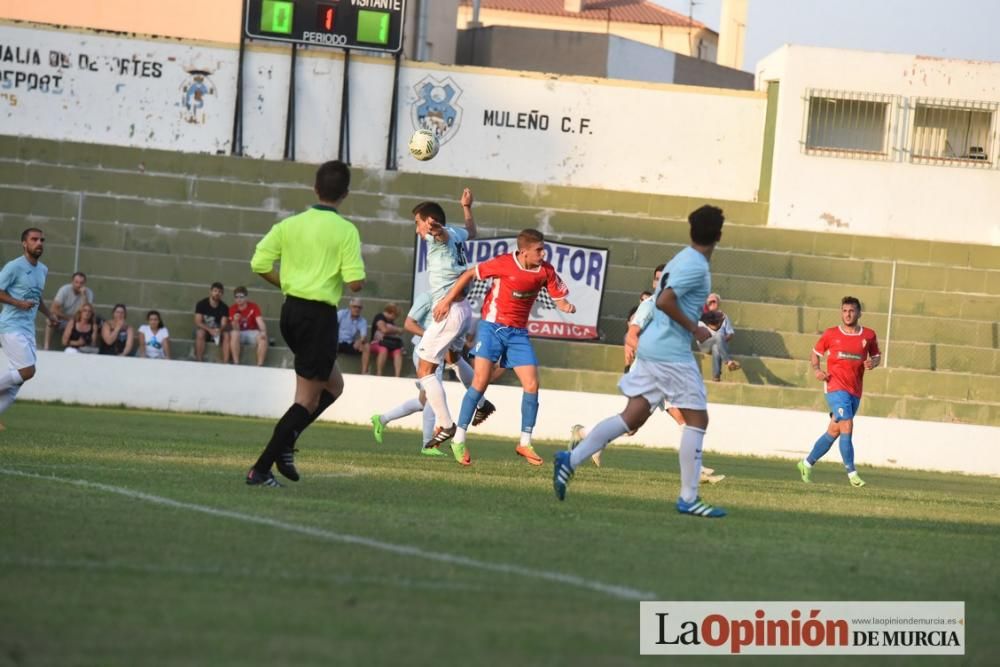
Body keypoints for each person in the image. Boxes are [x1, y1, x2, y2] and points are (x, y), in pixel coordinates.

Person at [553, 206, 727, 518]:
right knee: (697, 422)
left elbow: (670, 300)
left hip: (652, 349)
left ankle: (571, 459)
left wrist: (702, 315)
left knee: (631, 418)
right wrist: (696, 328)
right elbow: (664, 301)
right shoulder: (697, 266)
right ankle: (689, 498)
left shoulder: (680, 259)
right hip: (671, 354)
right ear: (719, 235)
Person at [245, 160, 365, 487]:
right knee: (307, 400)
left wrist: (289, 282)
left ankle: (286, 444)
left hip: (291, 313)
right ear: (345, 194)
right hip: (318, 317)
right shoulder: (346, 231)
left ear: (315, 188)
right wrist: (350, 277)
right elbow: (355, 283)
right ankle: (261, 467)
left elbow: (259, 263)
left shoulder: (290, 225)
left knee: (334, 386)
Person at [435, 228, 576, 467]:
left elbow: (559, 296)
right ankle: (458, 438)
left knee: (532, 383)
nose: (543, 253)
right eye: (538, 250)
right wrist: (446, 301)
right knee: (480, 381)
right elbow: (470, 274)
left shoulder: (546, 270)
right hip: (492, 327)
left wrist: (565, 305)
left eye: (543, 248)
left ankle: (525, 442)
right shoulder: (504, 264)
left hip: (518, 333)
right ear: (523, 252)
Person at [369, 291, 495, 455]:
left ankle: (382, 419)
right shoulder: (427, 297)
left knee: (424, 402)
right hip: (426, 350)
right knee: (431, 397)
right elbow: (409, 324)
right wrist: (432, 336)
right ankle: (427, 444)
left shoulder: (454, 301)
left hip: (441, 350)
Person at [411, 188, 478, 452]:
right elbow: (471, 232)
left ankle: (446, 424)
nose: (417, 230)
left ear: (428, 223)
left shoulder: (437, 236)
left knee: (425, 370)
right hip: (462, 309)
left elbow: (441, 235)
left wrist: (435, 229)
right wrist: (467, 208)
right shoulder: (457, 232)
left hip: (448, 310)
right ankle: (481, 401)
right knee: (453, 357)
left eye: (418, 223)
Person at [797, 296, 880, 488]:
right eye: (844, 311)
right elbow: (815, 354)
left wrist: (872, 363)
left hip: (855, 390)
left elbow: (876, 356)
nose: (847, 314)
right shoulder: (831, 334)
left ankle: (806, 463)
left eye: (851, 311)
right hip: (834, 386)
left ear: (859, 313)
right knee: (847, 425)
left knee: (834, 431)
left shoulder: (868, 335)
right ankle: (852, 474)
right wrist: (817, 370)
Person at [0, 228, 59, 425]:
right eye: (34, 239)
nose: (39, 243)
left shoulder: (43, 269)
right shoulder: (14, 266)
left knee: (16, 383)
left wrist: (50, 315)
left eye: (42, 239)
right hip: (10, 326)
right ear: (24, 243)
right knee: (27, 371)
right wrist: (17, 303)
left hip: (27, 329)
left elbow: (36, 296)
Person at [45, 271, 94, 350]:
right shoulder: (64, 290)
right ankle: (46, 347)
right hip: (65, 319)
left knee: (93, 323)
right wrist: (68, 319)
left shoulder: (88, 293)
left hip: (79, 321)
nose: (79, 285)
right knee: (50, 319)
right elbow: (53, 308)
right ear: (72, 282)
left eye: (81, 283)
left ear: (85, 283)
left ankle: (84, 348)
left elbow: (86, 310)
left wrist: (83, 296)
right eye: (76, 282)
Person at [698, 293, 741, 381]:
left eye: (714, 302)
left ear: (718, 304)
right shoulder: (702, 315)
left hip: (719, 344)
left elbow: (731, 333)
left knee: (716, 346)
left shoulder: (724, 317)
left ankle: (716, 376)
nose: (712, 304)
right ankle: (728, 362)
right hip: (705, 344)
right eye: (710, 302)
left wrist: (721, 341)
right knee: (718, 336)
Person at [228, 286, 268, 366]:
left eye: (241, 297)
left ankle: (260, 365)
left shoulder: (253, 306)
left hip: (252, 332)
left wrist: (263, 331)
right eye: (236, 297)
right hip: (239, 333)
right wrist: (235, 321)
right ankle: (236, 363)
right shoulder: (232, 308)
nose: (239, 299)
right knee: (234, 333)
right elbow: (234, 328)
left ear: (246, 297)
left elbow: (260, 322)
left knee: (263, 338)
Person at [364, 302, 405, 377]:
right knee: (383, 349)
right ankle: (379, 373)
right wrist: (397, 330)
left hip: (389, 343)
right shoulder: (380, 317)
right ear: (392, 313)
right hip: (377, 343)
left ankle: (397, 376)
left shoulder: (391, 322)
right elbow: (384, 330)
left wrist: (393, 329)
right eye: (396, 316)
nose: (395, 318)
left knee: (398, 352)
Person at [194, 282, 229, 362]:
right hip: (205, 331)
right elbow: (198, 321)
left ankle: (225, 363)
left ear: (222, 294)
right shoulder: (201, 304)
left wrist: (219, 330)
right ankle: (199, 361)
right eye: (215, 291)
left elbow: (224, 324)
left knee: (226, 334)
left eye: (220, 292)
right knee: (200, 333)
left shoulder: (224, 307)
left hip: (217, 332)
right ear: (210, 291)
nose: (217, 293)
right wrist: (210, 330)